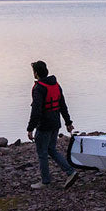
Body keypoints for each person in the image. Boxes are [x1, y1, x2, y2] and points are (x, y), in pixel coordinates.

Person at [26, 60, 79, 189]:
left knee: (42, 153)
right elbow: (62, 105)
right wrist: (68, 122)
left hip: (44, 124)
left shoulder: (39, 88)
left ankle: (45, 181)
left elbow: (36, 110)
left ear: (36, 73)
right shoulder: (56, 84)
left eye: (33, 71)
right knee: (51, 149)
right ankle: (70, 172)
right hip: (55, 122)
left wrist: (30, 128)